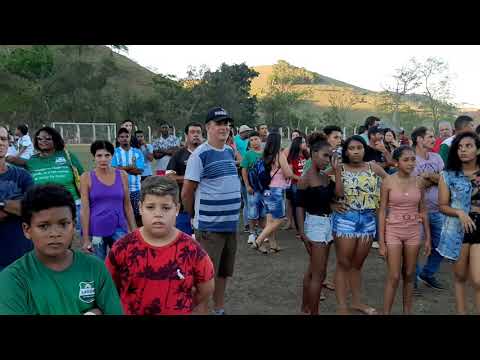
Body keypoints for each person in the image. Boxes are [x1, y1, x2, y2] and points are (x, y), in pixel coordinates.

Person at [0, 185, 123, 315]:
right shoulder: (12, 279)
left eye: (63, 224)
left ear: (74, 225)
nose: (55, 233)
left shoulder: (94, 267)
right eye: (44, 226)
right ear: (27, 230)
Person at [105, 176, 214, 315]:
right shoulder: (122, 248)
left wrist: (181, 305)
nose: (158, 214)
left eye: (166, 207)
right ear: (140, 208)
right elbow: (109, 289)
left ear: (177, 208)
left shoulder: (192, 250)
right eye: (150, 207)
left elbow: (205, 289)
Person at [182, 107, 241, 315]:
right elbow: (187, 192)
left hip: (230, 224)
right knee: (205, 275)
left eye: (227, 123)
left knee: (224, 272)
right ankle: (202, 310)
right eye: (219, 124)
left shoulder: (229, 151)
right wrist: (193, 218)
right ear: (208, 127)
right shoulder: (200, 155)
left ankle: (219, 308)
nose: (224, 127)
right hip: (209, 227)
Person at [332, 135, 387, 315]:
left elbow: (392, 183)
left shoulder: (374, 167)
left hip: (368, 220)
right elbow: (318, 186)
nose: (356, 152)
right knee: (343, 263)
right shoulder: (338, 168)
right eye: (351, 148)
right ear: (346, 151)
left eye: (359, 148)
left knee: (357, 264)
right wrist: (330, 204)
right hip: (345, 219)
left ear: (364, 149)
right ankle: (342, 306)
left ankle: (356, 302)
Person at [378, 146, 431, 315]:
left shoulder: (419, 181)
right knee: (394, 276)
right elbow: (382, 211)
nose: (410, 163)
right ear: (396, 162)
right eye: (406, 160)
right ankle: (386, 312)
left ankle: (407, 311)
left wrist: (428, 237)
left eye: (413, 159)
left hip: (414, 231)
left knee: (409, 273)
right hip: (393, 230)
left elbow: (423, 210)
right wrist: (381, 241)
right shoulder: (388, 181)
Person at [12, 126, 85, 234]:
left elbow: (83, 177)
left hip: (73, 206)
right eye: (39, 139)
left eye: (47, 139)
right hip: (43, 208)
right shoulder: (31, 161)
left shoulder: (67, 156)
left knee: (73, 240)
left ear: (55, 139)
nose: (43, 141)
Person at [437, 132, 480, 314]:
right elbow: (442, 206)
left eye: (468, 146)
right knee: (460, 276)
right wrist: (460, 213)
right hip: (457, 228)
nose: (463, 150)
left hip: (479, 227)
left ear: (478, 149)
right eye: (460, 147)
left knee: (478, 280)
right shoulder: (448, 175)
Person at [296, 132, 339, 315]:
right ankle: (313, 311)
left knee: (313, 270)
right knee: (318, 274)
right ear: (313, 154)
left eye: (330, 156)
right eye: (325, 155)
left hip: (327, 224)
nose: (328, 160)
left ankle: (305, 308)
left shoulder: (324, 176)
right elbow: (298, 206)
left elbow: (338, 195)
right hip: (314, 225)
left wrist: (337, 172)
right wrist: (303, 233)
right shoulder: (306, 178)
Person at [80, 140, 136, 260]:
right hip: (96, 230)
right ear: (93, 157)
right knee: (98, 265)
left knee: (123, 262)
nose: (103, 159)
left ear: (112, 156)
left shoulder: (122, 175)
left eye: (107, 155)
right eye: (99, 156)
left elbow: (127, 205)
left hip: (119, 227)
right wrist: (85, 239)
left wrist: (134, 231)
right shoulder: (86, 177)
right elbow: (85, 209)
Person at [411, 127, 445, 290]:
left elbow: (445, 180)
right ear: (419, 139)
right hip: (416, 211)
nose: (434, 139)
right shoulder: (410, 158)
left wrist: (428, 177)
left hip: (438, 210)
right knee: (415, 247)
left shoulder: (437, 157)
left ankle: (428, 273)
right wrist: (435, 178)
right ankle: (414, 280)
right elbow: (416, 184)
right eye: (430, 136)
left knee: (442, 245)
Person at [251, 131, 294, 254]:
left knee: (270, 221)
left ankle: (273, 245)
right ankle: (258, 241)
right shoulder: (279, 155)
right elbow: (288, 173)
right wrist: (291, 171)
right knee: (280, 219)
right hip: (276, 191)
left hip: (266, 190)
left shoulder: (265, 155)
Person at [0, 125, 34, 271]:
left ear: (8, 143)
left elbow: (32, 208)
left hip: (20, 257)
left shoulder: (23, 176)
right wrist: (14, 207)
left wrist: (1, 204)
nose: (0, 143)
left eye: (3, 139)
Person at [166, 121, 204, 235]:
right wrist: (190, 179)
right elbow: (169, 177)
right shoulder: (178, 154)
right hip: (183, 208)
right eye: (192, 132)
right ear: (186, 136)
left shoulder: (207, 153)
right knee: (184, 242)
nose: (196, 135)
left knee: (204, 246)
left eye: (198, 132)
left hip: (205, 207)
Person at [112, 128, 144, 226]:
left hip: (136, 190)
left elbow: (139, 170)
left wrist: (121, 168)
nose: (124, 139)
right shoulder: (114, 152)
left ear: (130, 137)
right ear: (118, 139)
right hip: (119, 190)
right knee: (122, 216)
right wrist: (131, 167)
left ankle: (138, 236)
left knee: (138, 216)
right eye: (122, 137)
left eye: (127, 136)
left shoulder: (137, 152)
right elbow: (114, 170)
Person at [241, 131, 266, 245]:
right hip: (253, 188)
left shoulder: (266, 154)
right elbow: (244, 170)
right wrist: (247, 185)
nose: (254, 142)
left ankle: (262, 232)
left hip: (265, 188)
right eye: (251, 140)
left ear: (260, 139)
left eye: (256, 139)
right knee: (252, 211)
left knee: (263, 211)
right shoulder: (248, 155)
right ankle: (252, 233)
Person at [285, 135, 308, 233]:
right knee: (297, 207)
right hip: (296, 185)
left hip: (307, 185)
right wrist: (301, 179)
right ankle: (300, 230)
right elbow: (290, 174)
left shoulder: (307, 155)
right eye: (302, 142)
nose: (305, 144)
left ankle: (306, 228)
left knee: (307, 207)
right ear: (297, 144)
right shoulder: (291, 157)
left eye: (305, 142)